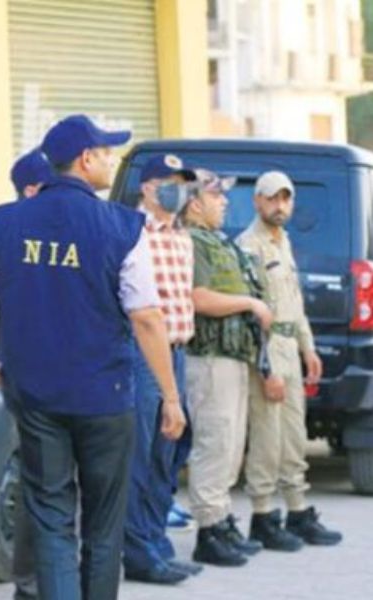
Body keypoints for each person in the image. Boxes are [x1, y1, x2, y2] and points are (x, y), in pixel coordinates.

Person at [0, 114, 185, 600]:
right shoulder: (122, 226)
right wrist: (170, 394)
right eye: (106, 153)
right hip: (106, 395)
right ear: (85, 159)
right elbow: (146, 316)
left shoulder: (6, 221)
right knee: (103, 524)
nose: (111, 162)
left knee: (51, 518)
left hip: (36, 394)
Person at [238, 171, 343, 550]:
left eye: (285, 199)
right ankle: (263, 517)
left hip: (289, 348)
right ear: (257, 201)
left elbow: (294, 303)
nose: (279, 206)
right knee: (268, 438)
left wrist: (308, 348)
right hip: (267, 350)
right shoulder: (249, 246)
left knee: (294, 435)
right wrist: (266, 369)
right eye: (272, 198)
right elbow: (250, 316)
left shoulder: (283, 242)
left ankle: (298, 511)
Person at [183, 168, 271, 567]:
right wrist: (250, 304)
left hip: (232, 356)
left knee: (231, 444)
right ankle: (208, 531)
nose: (224, 202)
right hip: (210, 357)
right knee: (215, 442)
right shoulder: (193, 240)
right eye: (216, 195)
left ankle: (220, 521)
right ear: (194, 203)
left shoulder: (217, 240)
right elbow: (198, 297)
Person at [121, 155, 202, 585]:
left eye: (183, 183)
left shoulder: (181, 237)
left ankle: (155, 543)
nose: (179, 191)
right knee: (142, 452)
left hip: (178, 351)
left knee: (168, 454)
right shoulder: (131, 232)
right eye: (169, 182)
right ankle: (137, 551)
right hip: (143, 354)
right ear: (148, 188)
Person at [0, 147, 53, 600]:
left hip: (28, 373)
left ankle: (36, 583)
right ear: (33, 189)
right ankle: (34, 586)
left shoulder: (7, 228)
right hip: (41, 380)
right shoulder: (20, 231)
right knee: (43, 485)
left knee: (42, 484)